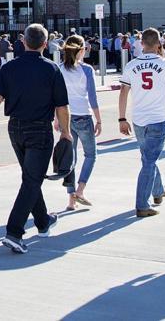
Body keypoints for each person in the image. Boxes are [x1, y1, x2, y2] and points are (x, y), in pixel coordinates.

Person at [0, 23, 70, 254]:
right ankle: (14, 231)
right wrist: (65, 132)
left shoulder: (9, 68)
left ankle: (43, 222)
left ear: (23, 42)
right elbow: (62, 106)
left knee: (30, 177)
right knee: (31, 179)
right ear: (45, 44)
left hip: (15, 127)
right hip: (39, 128)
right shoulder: (51, 69)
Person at [117, 28, 165, 217]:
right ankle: (142, 204)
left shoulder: (131, 65)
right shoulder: (163, 63)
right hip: (158, 118)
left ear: (142, 44)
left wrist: (122, 118)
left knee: (148, 157)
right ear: (159, 44)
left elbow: (123, 91)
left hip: (138, 119)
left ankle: (158, 190)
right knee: (149, 161)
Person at [57, 35, 100, 210]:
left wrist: (55, 118)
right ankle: (80, 190)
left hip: (65, 115)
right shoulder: (87, 69)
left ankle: (71, 200)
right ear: (81, 50)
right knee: (90, 155)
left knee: (70, 157)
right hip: (83, 114)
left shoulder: (59, 68)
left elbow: (56, 97)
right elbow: (92, 97)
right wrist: (99, 119)